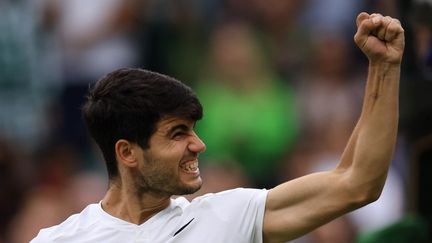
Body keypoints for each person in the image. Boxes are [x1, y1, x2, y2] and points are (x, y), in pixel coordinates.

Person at [31, 12, 405, 243]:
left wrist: (383, 68)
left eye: (193, 130)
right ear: (127, 152)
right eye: (177, 134)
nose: (199, 145)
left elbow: (356, 183)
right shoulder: (59, 240)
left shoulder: (229, 216)